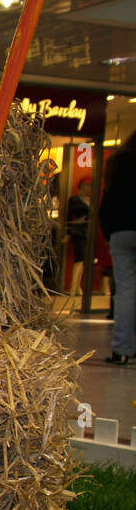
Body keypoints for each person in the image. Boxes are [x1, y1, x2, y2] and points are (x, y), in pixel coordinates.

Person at [99, 132, 136, 364]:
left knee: (125, 291)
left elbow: (107, 202)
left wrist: (109, 234)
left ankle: (121, 349)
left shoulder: (117, 163)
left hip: (120, 231)